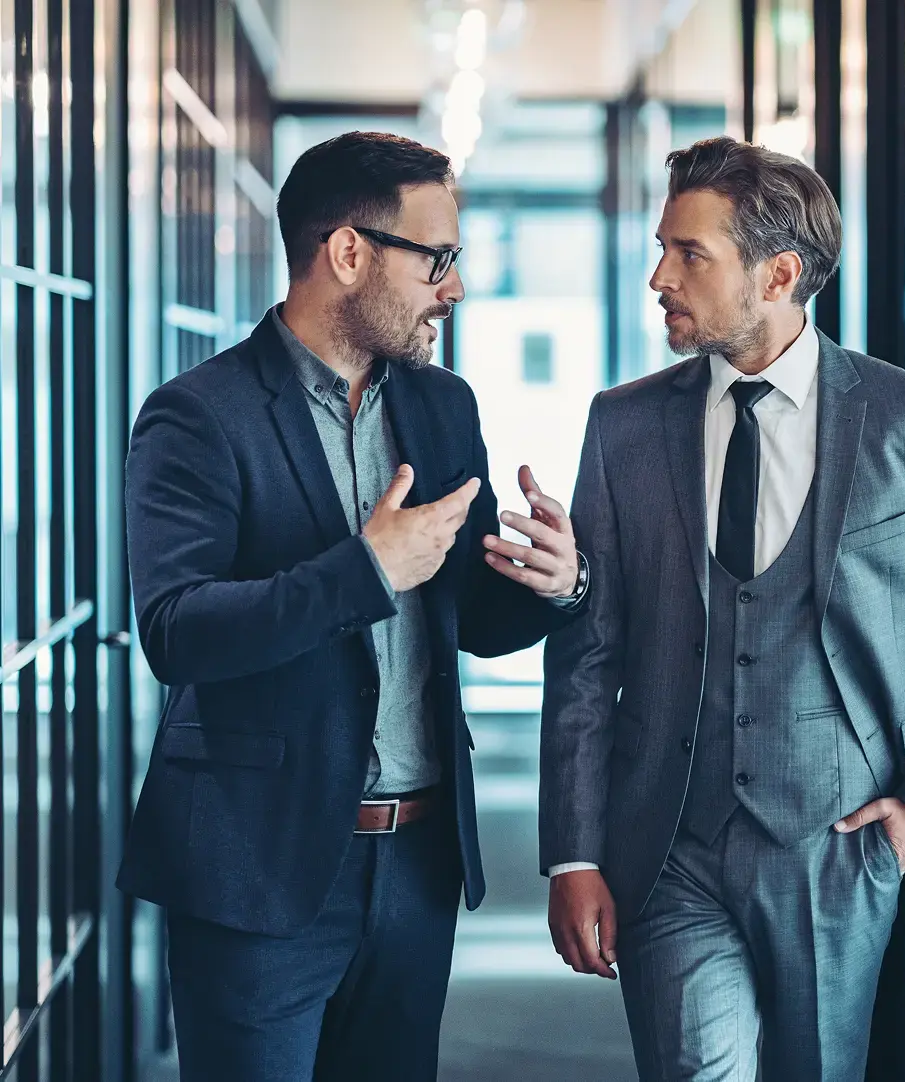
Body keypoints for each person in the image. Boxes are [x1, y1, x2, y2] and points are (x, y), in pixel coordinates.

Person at [539, 136, 905, 1081]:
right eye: (663, 247)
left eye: (690, 254)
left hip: (838, 845)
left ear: (778, 274)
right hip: (668, 840)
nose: (659, 276)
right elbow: (588, 655)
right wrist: (572, 853)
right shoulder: (624, 424)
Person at [118, 131, 589, 1082]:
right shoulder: (198, 415)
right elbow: (177, 630)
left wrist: (553, 584)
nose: (452, 288)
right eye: (438, 259)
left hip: (416, 864)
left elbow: (468, 620)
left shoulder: (443, 407)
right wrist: (363, 570)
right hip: (259, 865)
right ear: (347, 253)